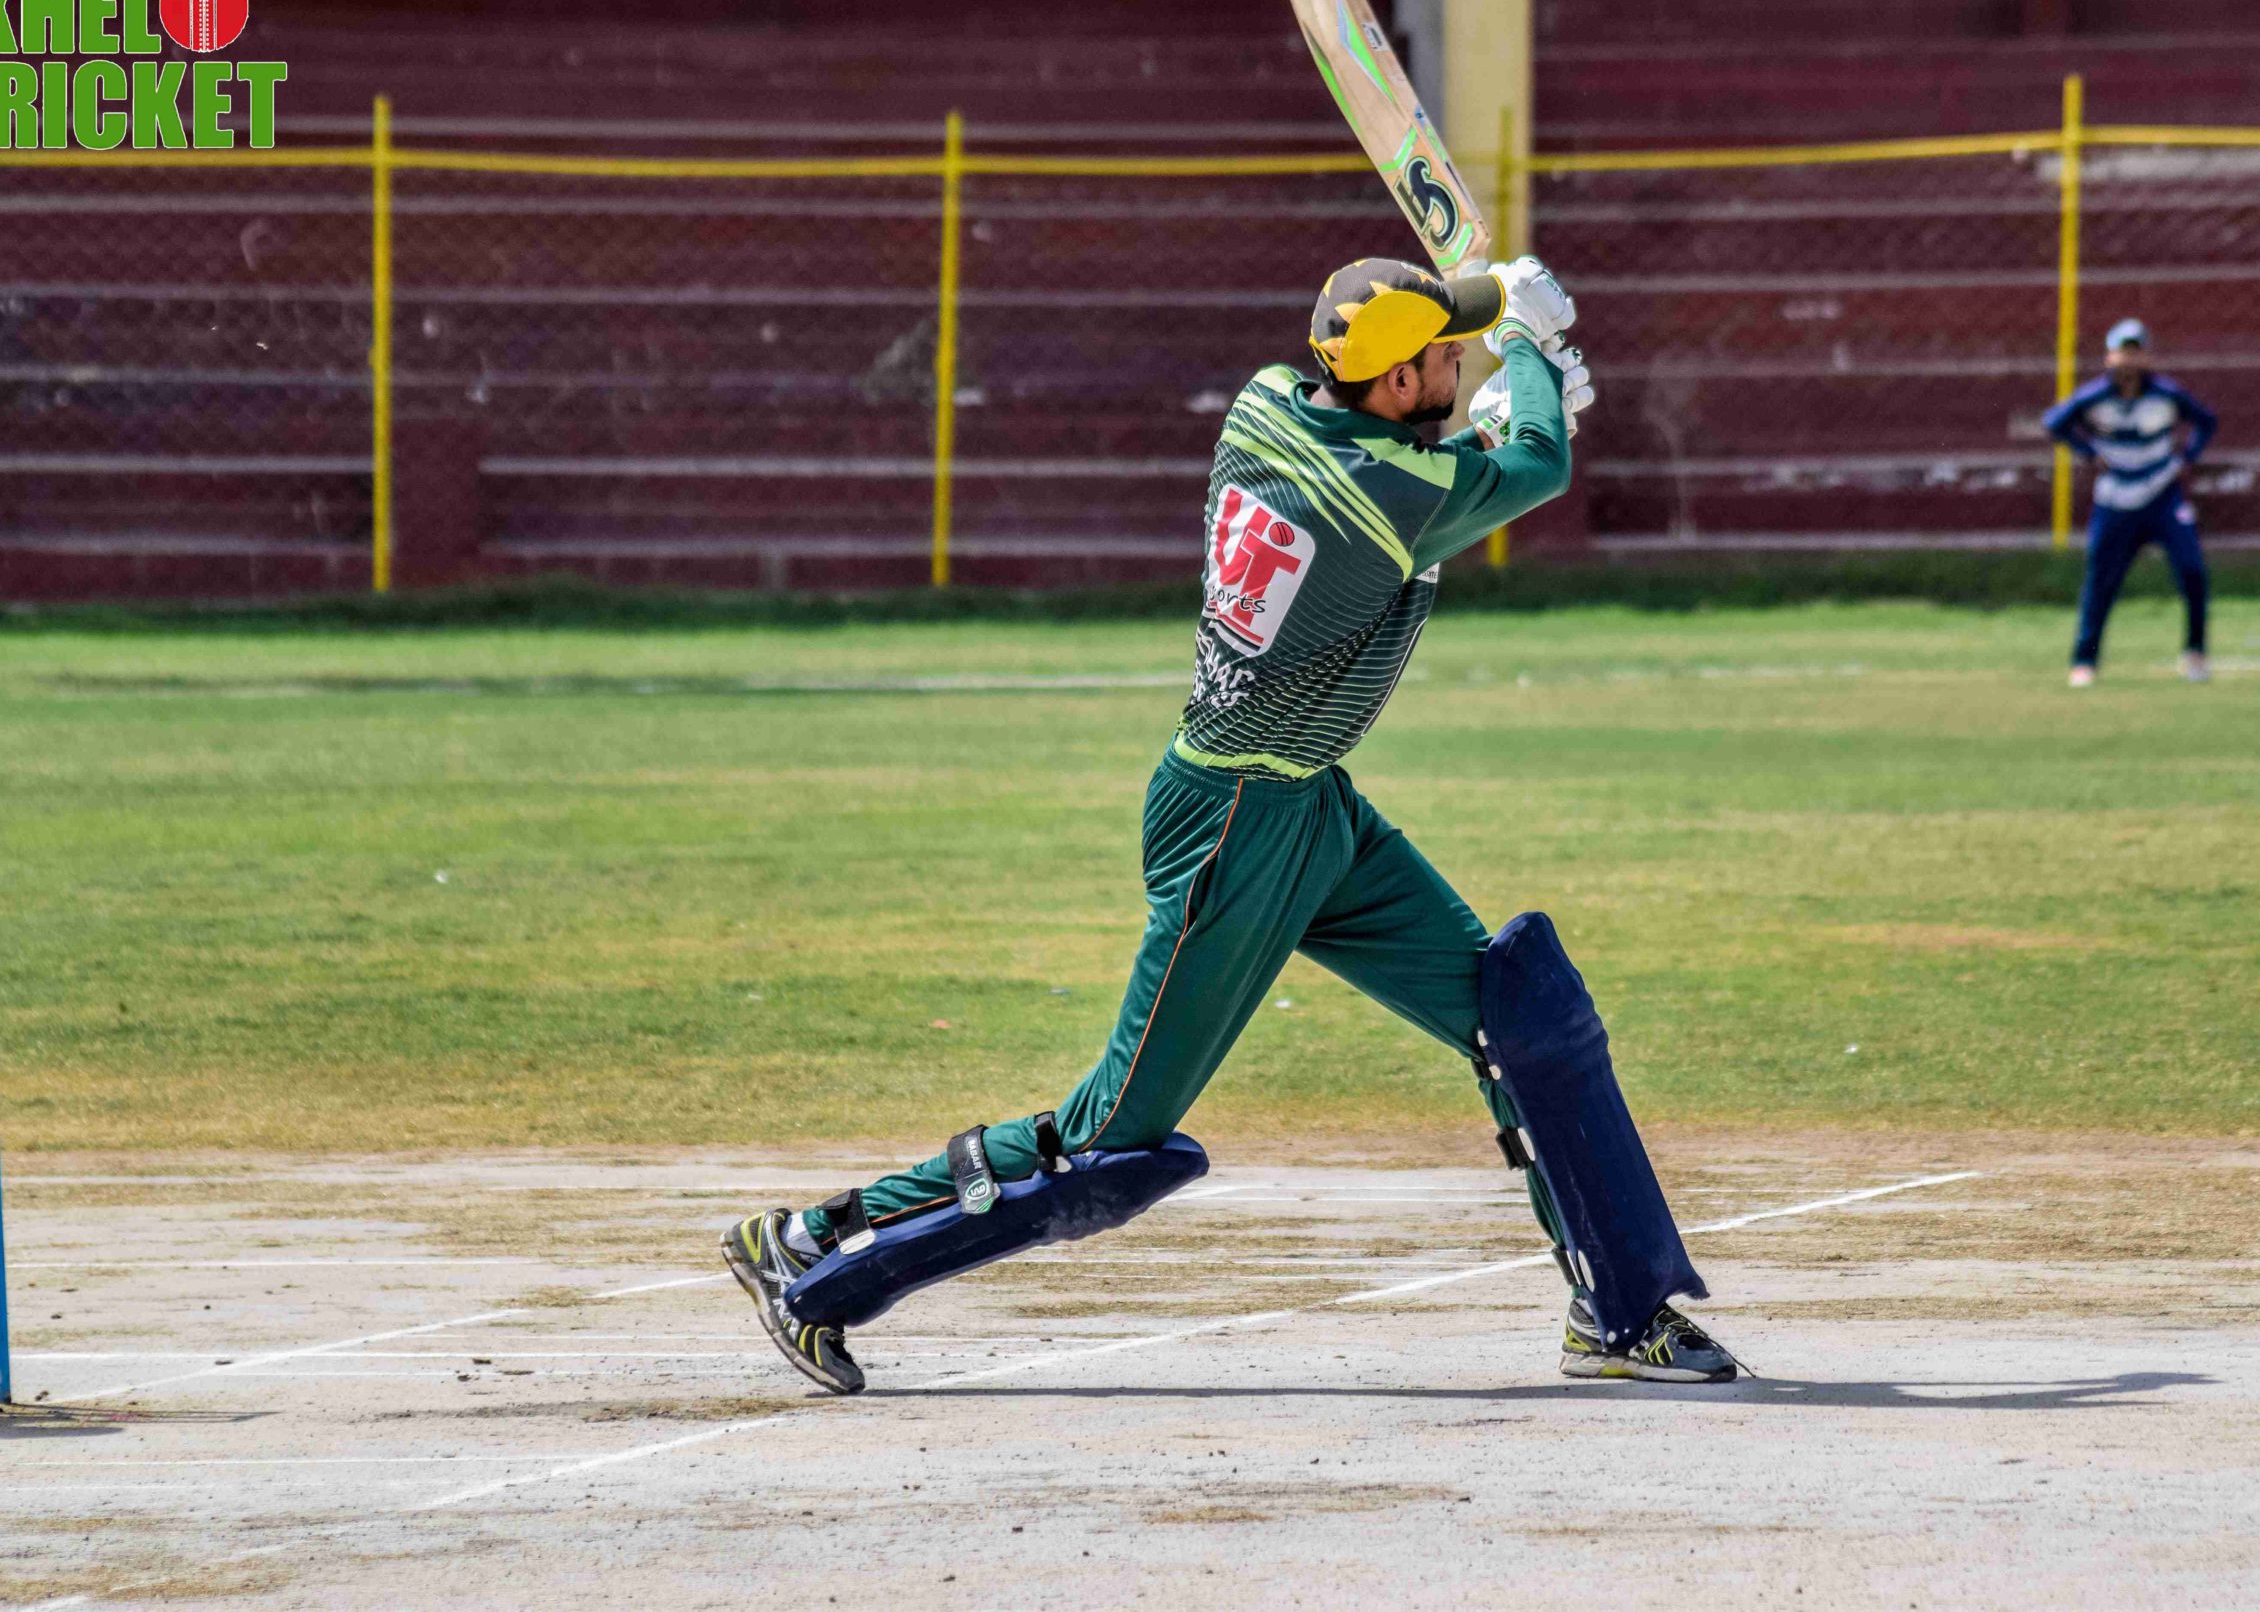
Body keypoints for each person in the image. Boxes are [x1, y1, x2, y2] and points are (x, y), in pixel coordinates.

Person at [725, 256, 1735, 1394]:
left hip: (1306, 803)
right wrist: (1534, 373)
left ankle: (1620, 1315)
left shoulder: (1269, 404)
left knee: (1522, 1014)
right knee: (1111, 1140)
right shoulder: (1382, 493)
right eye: (1444, 353)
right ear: (1399, 382)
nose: (1458, 356)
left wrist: (1494, 403)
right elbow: (1530, 471)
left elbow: (1441, 469)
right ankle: (814, 1250)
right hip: (1232, 826)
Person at [2044, 318, 2218, 686]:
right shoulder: (2093, 397)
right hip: (2115, 498)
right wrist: (2087, 453)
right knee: (2101, 580)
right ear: (2109, 357)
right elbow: (2055, 423)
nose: (2129, 360)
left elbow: (2206, 421)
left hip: (2163, 494)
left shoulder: (2167, 394)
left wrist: (2187, 458)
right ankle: (2084, 661)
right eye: (2123, 352)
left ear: (2147, 357)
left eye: (2136, 352)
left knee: (2192, 570)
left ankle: (2195, 653)